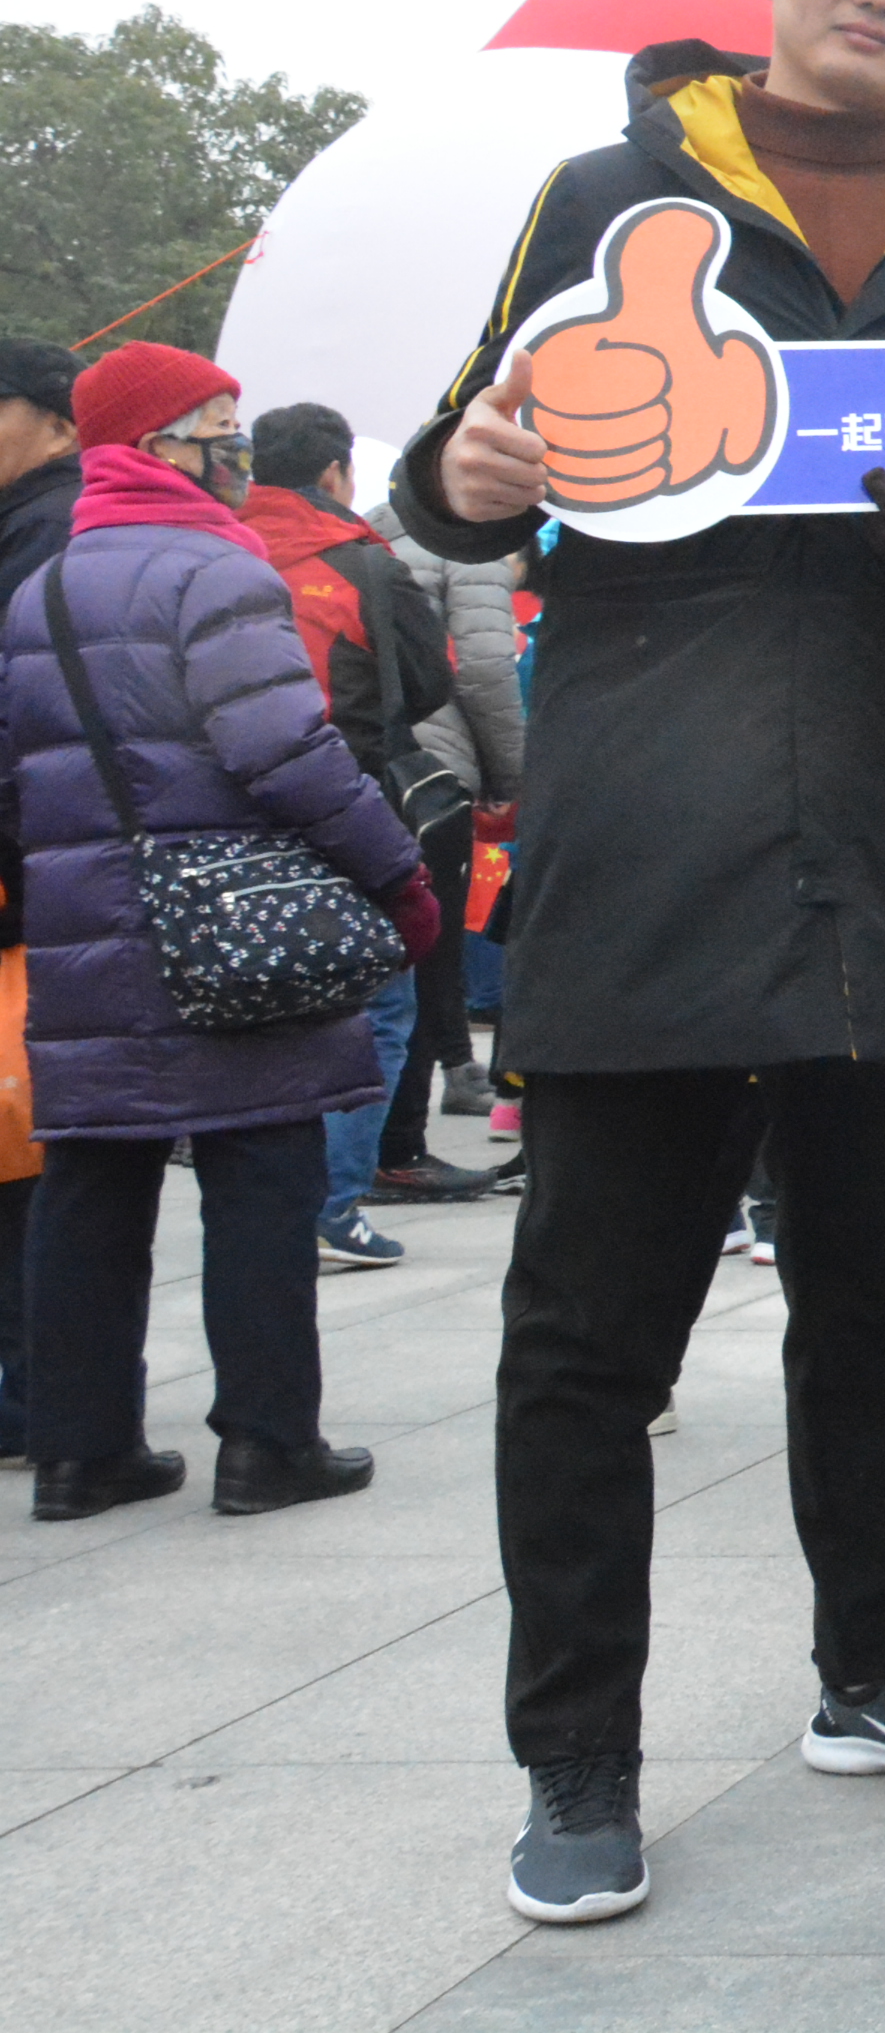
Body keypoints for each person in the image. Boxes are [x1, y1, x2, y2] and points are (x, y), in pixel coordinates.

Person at [398, 0, 885, 1927]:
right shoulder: (610, 195)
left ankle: (878, 1667)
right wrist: (472, 469)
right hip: (653, 818)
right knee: (588, 1332)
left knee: (882, 1303)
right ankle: (576, 1758)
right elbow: (467, 465)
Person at [4, 343, 435, 1525]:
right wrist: (394, 872)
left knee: (93, 1181)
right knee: (259, 1170)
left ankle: (80, 1455)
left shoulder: (45, 585)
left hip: (84, 931)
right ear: (157, 446)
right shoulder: (213, 569)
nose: (237, 452)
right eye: (218, 430)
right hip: (228, 925)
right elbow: (285, 751)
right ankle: (267, 1444)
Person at [236, 403, 464, 1264]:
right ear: (337, 473)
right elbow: (430, 682)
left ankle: (259, 1205)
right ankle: (331, 1205)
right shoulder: (366, 565)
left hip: (222, 816)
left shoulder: (214, 551)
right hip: (344, 804)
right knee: (379, 1004)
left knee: (251, 1008)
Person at [359, 475, 526, 1160]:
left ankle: (432, 1083)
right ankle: (404, 1143)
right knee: (434, 939)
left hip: (356, 759)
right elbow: (485, 669)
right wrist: (512, 776)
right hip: (434, 772)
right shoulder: (471, 547)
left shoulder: (367, 533)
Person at [0, 336, 79, 1466]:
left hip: (35, 884)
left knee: (26, 1142)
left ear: (59, 421)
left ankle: (36, 1385)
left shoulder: (51, 533)